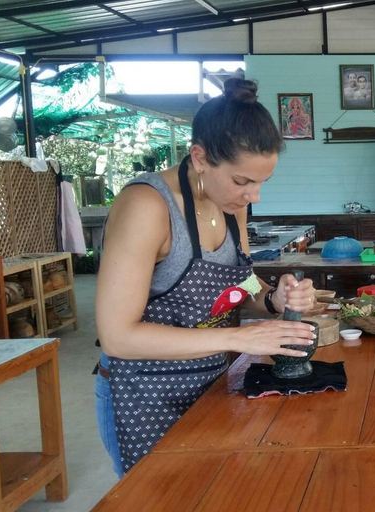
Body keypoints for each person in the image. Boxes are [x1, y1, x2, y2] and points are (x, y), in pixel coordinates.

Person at [94, 78, 317, 477]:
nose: (254, 196)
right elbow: (117, 336)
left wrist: (272, 299)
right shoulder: (147, 206)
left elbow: (239, 283)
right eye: (242, 180)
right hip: (143, 393)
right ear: (199, 157)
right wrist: (237, 337)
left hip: (210, 384)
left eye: (262, 182)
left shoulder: (230, 203)